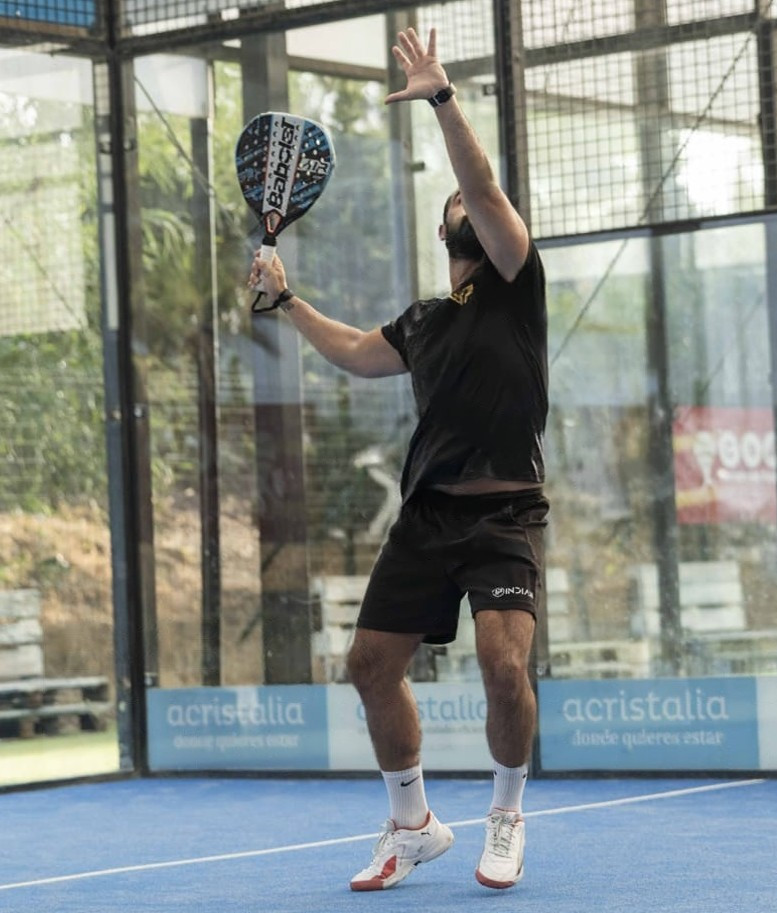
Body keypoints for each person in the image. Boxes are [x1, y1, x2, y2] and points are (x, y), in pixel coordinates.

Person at [249, 26, 548, 892]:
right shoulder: (425, 320)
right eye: (456, 201)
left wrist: (442, 97)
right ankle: (411, 825)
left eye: (477, 198)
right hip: (426, 515)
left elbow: (480, 185)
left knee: (503, 664)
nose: (471, 200)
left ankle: (504, 814)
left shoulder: (514, 278)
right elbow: (353, 350)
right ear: (441, 229)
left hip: (503, 513)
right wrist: (287, 299)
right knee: (370, 666)